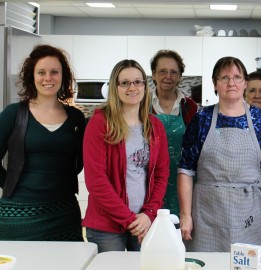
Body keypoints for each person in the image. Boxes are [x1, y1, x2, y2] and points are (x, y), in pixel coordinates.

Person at [178, 56, 261, 252]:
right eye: (224, 78)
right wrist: (185, 215)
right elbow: (186, 170)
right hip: (207, 213)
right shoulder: (202, 118)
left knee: (246, 263)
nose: (231, 83)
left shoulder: (260, 119)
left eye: (237, 77)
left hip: (248, 213)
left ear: (245, 83)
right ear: (215, 84)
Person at [82, 59, 169, 253]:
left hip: (144, 222)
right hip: (107, 226)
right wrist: (130, 220)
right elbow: (96, 181)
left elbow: (162, 176)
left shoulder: (155, 127)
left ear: (145, 87)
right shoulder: (99, 124)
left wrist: (149, 214)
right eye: (125, 82)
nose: (133, 87)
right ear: (116, 87)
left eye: (138, 82)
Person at [0, 44, 85, 241]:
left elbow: (79, 161)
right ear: (32, 76)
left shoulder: (76, 117)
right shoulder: (13, 114)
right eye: (41, 72)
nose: (48, 78)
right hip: (18, 214)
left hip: (64, 212)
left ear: (63, 76)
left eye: (54, 72)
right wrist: (11, 183)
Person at [150, 49, 198, 216]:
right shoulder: (141, 105)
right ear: (154, 74)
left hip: (182, 178)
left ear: (179, 77)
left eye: (173, 72)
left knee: (179, 231)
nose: (168, 76)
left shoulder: (190, 107)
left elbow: (196, 146)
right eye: (163, 71)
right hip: (149, 180)